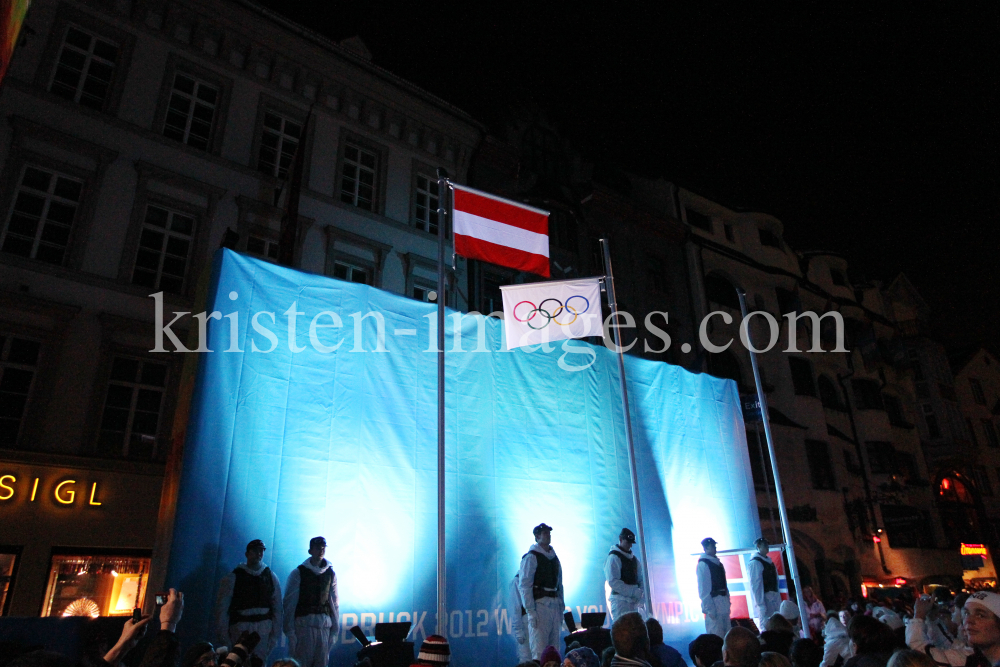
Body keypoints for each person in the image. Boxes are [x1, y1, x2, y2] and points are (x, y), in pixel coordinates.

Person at [215, 539, 283, 661]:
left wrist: (274, 636)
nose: (259, 554)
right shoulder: (233, 577)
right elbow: (222, 609)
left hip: (263, 629)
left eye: (261, 551)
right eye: (255, 551)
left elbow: (277, 608)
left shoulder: (270, 577)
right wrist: (225, 638)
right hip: (240, 628)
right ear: (247, 553)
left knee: (259, 662)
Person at [283, 536, 339, 667]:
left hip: (324, 626)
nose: (321, 550)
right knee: (302, 663)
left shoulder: (330, 573)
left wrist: (335, 630)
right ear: (310, 550)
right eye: (318, 548)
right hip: (304, 628)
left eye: (323, 548)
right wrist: (290, 632)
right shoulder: (298, 573)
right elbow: (289, 603)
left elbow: (334, 603)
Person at [906, 592, 1000, 666]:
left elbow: (920, 652)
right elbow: (948, 645)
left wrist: (918, 616)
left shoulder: (971, 658)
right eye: (967, 613)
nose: (968, 620)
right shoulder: (973, 658)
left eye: (980, 615)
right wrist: (932, 618)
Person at [519, 523, 565, 660]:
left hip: (554, 605)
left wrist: (561, 606)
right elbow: (525, 585)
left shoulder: (554, 558)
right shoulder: (531, 557)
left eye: (548, 533)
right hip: (540, 606)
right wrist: (531, 611)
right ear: (537, 536)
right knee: (539, 649)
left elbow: (560, 584)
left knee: (554, 649)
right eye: (544, 533)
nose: (548, 535)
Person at [605, 528, 645, 621]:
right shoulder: (613, 558)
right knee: (622, 631)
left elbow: (641, 579)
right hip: (620, 602)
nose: (630, 546)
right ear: (620, 539)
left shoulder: (634, 560)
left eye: (631, 543)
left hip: (634, 603)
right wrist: (633, 592)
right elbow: (613, 582)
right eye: (628, 542)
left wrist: (641, 593)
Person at [697, 538, 731, 639]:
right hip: (714, 604)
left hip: (723, 603)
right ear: (706, 548)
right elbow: (704, 590)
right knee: (716, 636)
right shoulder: (703, 564)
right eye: (712, 546)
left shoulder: (718, 564)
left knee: (727, 636)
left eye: (714, 546)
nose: (715, 548)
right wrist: (710, 609)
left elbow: (724, 584)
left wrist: (728, 602)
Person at [747, 538, 781, 628]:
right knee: (766, 626)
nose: (767, 547)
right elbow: (755, 585)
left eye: (767, 545)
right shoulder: (755, 563)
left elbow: (776, 581)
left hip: (774, 597)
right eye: (764, 545)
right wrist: (760, 604)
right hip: (765, 598)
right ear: (758, 546)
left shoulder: (769, 562)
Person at [509, 572, 533, 663]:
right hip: (525, 623)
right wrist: (518, 630)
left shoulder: (537, 578)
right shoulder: (517, 580)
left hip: (536, 622)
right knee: (526, 659)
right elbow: (516, 608)